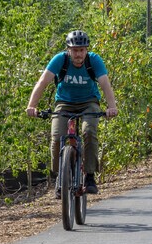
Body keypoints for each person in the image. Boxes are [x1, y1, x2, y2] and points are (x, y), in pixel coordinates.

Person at [26, 30, 118, 196]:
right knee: (56, 137)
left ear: (86, 50)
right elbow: (43, 82)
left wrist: (112, 107)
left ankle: (89, 176)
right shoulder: (60, 60)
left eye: (82, 50)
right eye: (75, 50)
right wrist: (32, 105)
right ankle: (61, 177)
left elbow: (105, 84)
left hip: (89, 103)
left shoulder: (94, 60)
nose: (78, 54)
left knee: (88, 131)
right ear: (68, 50)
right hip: (64, 103)